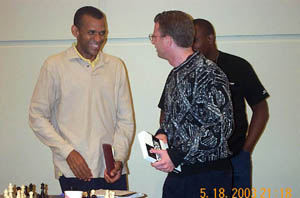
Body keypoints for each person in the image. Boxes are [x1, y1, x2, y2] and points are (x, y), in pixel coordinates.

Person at [29, 6, 134, 192]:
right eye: (91, 32)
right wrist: (67, 152)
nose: (98, 39)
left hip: (112, 173)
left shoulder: (116, 67)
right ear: (75, 31)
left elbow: (125, 120)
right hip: (74, 172)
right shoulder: (54, 66)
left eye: (102, 33)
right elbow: (37, 116)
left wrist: (119, 159)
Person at [150, 11, 234, 198]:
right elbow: (176, 120)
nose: (153, 41)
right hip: (182, 175)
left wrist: (176, 154)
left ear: (168, 40)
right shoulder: (175, 74)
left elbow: (221, 127)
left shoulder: (208, 73)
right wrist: (163, 134)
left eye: (154, 36)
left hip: (207, 179)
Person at [192, 19, 270, 190]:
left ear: (210, 39)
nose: (191, 45)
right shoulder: (186, 71)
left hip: (235, 158)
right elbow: (167, 113)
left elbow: (261, 109)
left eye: (195, 40)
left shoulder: (238, 66)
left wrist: (246, 149)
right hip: (199, 163)